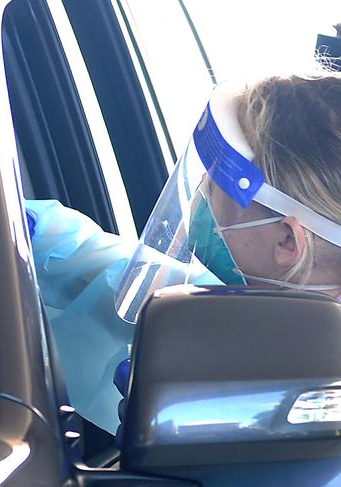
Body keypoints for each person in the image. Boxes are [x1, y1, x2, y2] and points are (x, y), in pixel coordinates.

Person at [26, 70, 341, 434]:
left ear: (288, 240)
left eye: (218, 181)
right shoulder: (265, 310)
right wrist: (36, 232)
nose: (204, 189)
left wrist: (186, 448)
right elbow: (117, 282)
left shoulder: (317, 401)